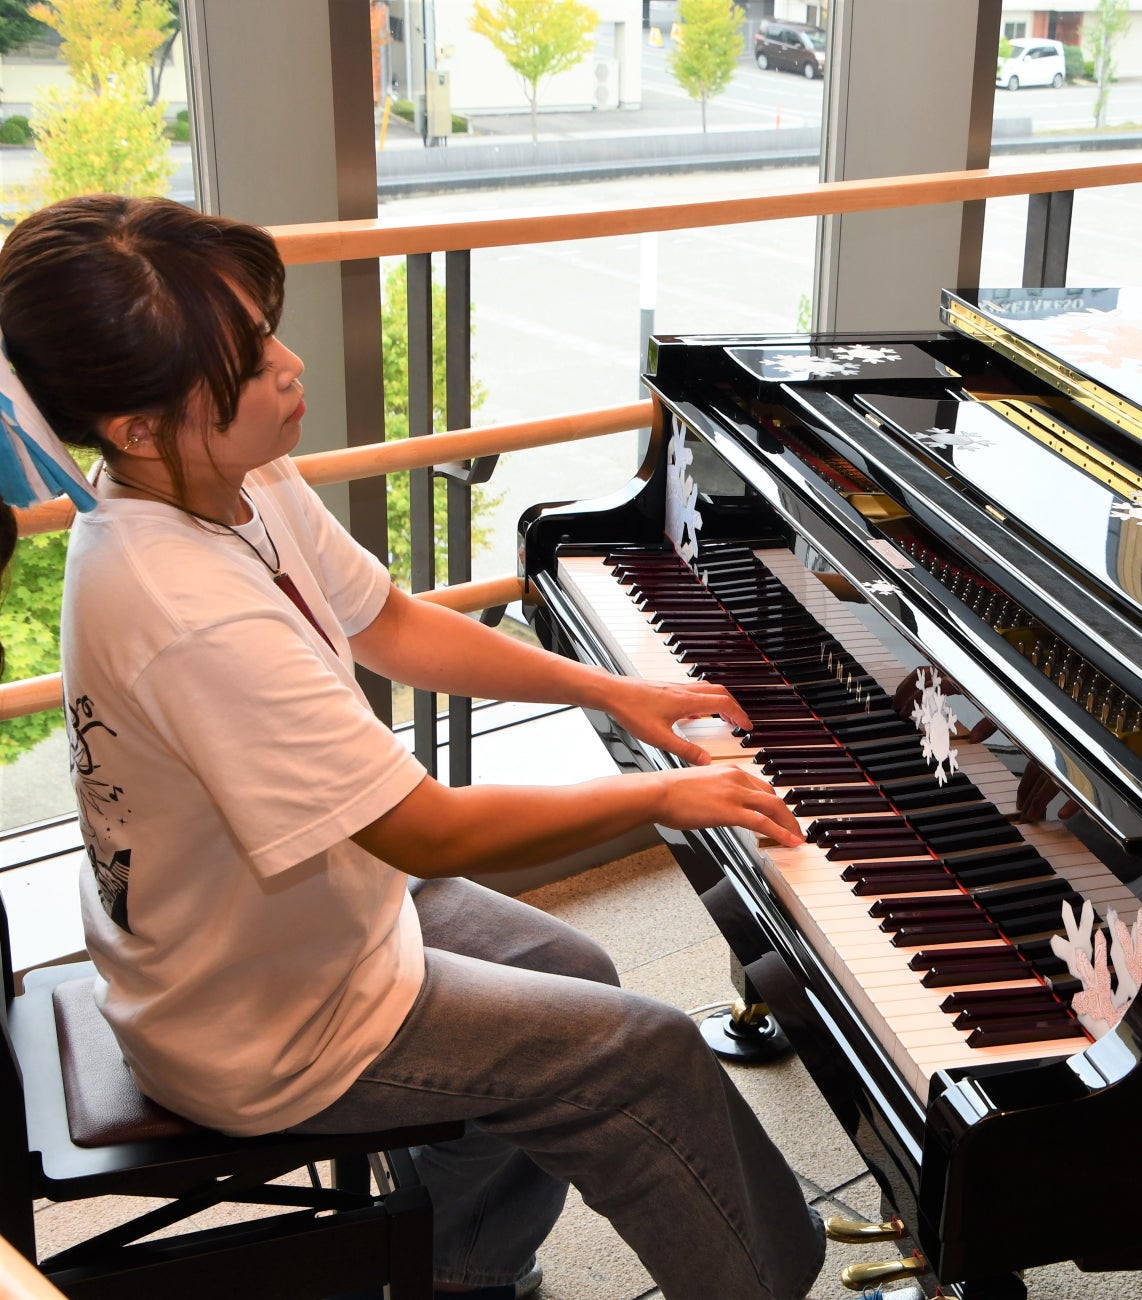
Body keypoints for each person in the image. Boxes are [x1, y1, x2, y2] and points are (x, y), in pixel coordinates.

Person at [0, 194, 826, 1300]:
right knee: (647, 1056)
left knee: (576, 970)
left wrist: (618, 692)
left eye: (268, 333)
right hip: (261, 1023)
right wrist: (660, 800)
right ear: (138, 426)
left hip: (297, 931)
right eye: (251, 362)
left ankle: (463, 1270)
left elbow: (387, 621)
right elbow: (420, 822)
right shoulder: (180, 604)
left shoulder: (230, 479)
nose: (292, 368)